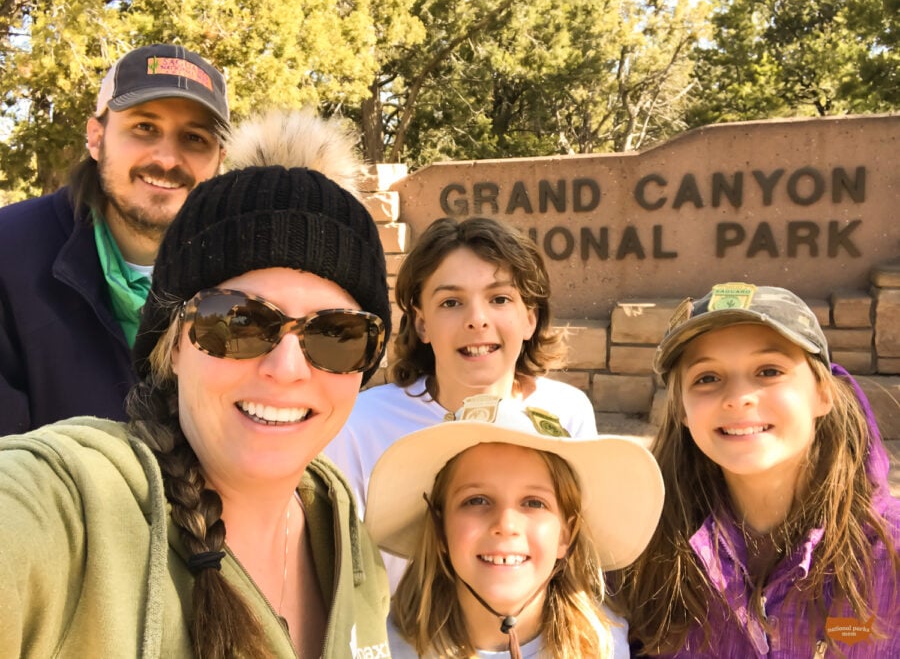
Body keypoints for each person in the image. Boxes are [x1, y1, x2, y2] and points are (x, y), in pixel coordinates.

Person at [0, 111, 393, 658]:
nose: (287, 368)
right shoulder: (75, 508)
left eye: (337, 334)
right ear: (174, 342)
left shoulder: (343, 529)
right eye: (239, 322)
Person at [614, 282, 899, 657]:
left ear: (823, 393)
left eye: (768, 371)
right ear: (682, 410)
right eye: (707, 378)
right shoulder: (641, 551)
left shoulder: (888, 551)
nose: (737, 398)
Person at [325, 216, 598, 584]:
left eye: (499, 299)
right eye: (451, 302)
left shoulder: (568, 412)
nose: (477, 320)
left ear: (529, 319)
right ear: (421, 324)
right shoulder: (361, 425)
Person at [0, 44, 229, 435]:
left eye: (194, 138)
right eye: (144, 127)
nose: (168, 159)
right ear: (96, 137)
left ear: (219, 158)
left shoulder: (244, 272)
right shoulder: (9, 254)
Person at [365, 394, 665, 658]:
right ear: (440, 528)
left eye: (534, 503)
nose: (505, 524)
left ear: (566, 534)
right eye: (476, 500)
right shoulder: (381, 648)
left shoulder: (603, 646)